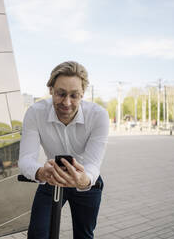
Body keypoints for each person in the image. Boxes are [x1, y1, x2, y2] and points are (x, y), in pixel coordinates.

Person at [18, 61, 109, 239]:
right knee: (37, 234)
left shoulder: (98, 116)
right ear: (51, 89)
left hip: (85, 180)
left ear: (83, 94)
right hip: (51, 177)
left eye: (74, 95)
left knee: (84, 235)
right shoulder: (35, 113)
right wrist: (40, 172)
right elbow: (25, 159)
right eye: (60, 93)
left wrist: (84, 180)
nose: (66, 102)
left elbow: (92, 163)